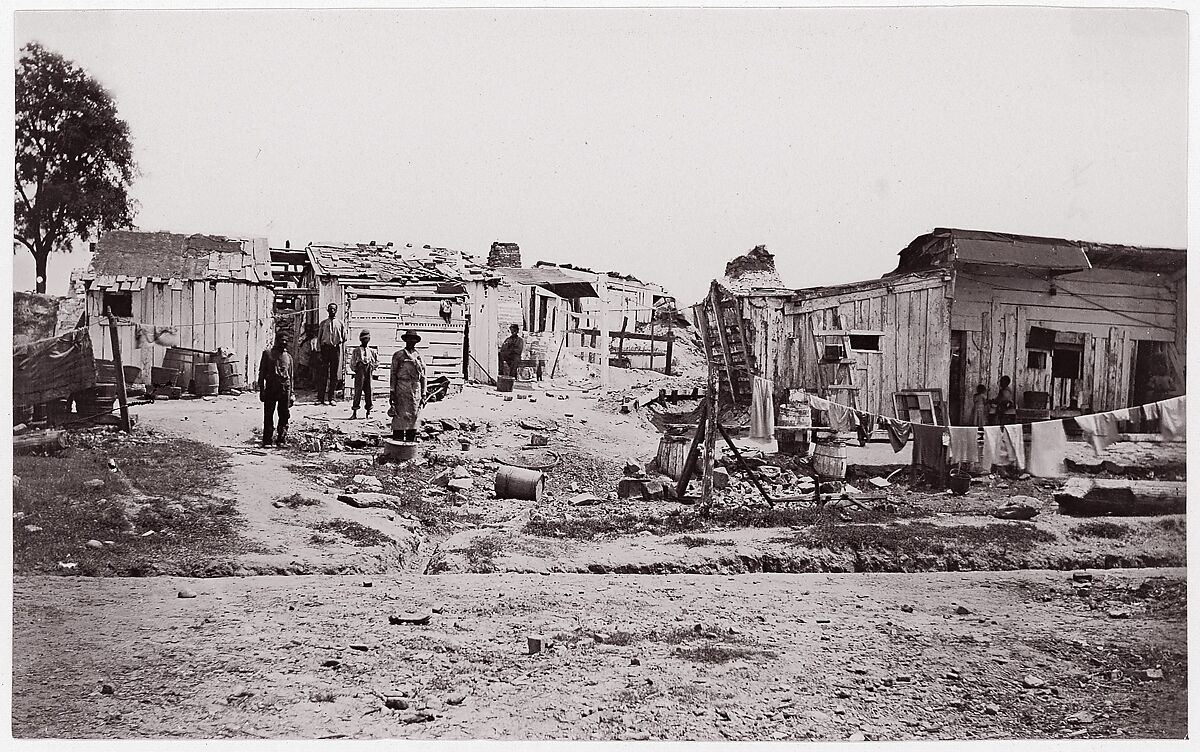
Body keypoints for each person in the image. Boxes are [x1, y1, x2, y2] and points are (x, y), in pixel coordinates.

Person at [257, 331, 295, 447]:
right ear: (276, 340)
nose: (283, 342)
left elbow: (291, 377)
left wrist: (292, 394)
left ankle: (281, 439)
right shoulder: (267, 354)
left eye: (286, 341)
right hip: (271, 389)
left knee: (284, 415)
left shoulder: (288, 357)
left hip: (284, 389)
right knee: (268, 414)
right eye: (281, 340)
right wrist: (262, 390)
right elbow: (261, 374)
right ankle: (267, 440)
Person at [390, 330, 427, 442]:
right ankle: (397, 444)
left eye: (413, 339)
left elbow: (424, 376)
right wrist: (392, 392)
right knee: (400, 417)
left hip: (415, 389)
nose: (411, 341)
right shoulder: (399, 355)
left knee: (414, 417)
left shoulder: (419, 356)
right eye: (409, 338)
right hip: (401, 387)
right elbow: (393, 374)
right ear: (405, 340)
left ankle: (410, 443)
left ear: (416, 341)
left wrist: (424, 394)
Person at [317, 303, 348, 405]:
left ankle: (331, 398)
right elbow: (319, 338)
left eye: (334, 309)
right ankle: (320, 398)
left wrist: (337, 341)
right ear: (327, 310)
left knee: (333, 374)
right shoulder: (323, 323)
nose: (332, 311)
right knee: (323, 374)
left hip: (335, 349)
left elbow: (345, 338)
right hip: (325, 349)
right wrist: (319, 351)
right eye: (330, 309)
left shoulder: (340, 323)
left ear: (336, 310)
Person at [349, 329, 378, 420]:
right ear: (360, 340)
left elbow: (377, 361)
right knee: (357, 392)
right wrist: (356, 369)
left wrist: (372, 367)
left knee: (368, 391)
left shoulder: (372, 351)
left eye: (367, 339)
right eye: (363, 339)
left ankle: (368, 412)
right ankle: (354, 412)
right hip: (360, 372)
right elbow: (352, 362)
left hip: (368, 371)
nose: (365, 341)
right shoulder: (356, 351)